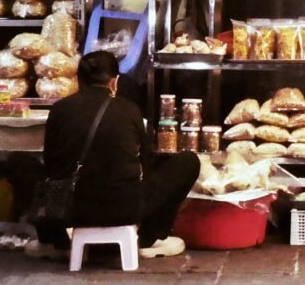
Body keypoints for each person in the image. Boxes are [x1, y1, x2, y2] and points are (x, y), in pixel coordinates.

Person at [25, 50, 200, 261]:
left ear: (78, 81)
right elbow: (145, 165)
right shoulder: (130, 110)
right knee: (188, 161)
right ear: (114, 82)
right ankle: (149, 239)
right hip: (124, 208)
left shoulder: (60, 109)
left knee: (17, 163)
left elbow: (51, 164)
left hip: (69, 208)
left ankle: (55, 242)